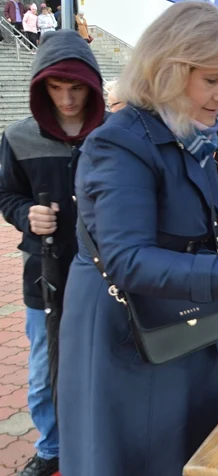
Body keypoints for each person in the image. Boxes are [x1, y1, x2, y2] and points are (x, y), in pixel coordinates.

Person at [57, 1, 218, 476]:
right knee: (144, 454)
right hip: (128, 338)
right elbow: (128, 260)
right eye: (211, 79)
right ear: (168, 66)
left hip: (183, 325)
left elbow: (192, 236)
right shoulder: (119, 141)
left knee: (192, 450)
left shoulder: (186, 133)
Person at [0, 29, 108, 476]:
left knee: (103, 361)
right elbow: (7, 195)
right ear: (41, 85)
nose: (67, 100)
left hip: (105, 275)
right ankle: (50, 449)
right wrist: (27, 214)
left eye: (77, 88)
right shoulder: (19, 137)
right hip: (43, 274)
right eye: (57, 88)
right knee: (45, 367)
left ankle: (101, 441)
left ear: (93, 85)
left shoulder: (111, 136)